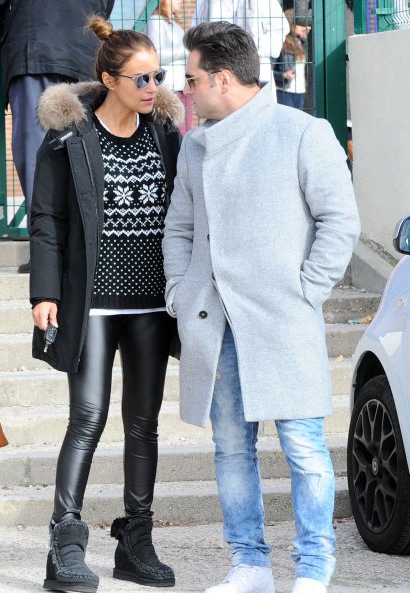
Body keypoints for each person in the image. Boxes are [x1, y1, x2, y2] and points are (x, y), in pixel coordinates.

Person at [163, 21, 360, 593]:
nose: (185, 88)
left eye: (193, 77)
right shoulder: (195, 145)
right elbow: (178, 228)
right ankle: (249, 565)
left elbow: (339, 220)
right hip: (212, 319)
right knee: (230, 450)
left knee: (303, 448)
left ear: (222, 79)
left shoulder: (302, 131)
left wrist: (307, 290)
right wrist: (181, 292)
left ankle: (313, 569)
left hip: (282, 318)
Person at [30, 15, 184, 593]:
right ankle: (64, 543)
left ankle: (136, 541)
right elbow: (46, 221)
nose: (154, 89)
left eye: (159, 77)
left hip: (149, 302)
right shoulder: (69, 138)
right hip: (90, 302)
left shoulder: (164, 132)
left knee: (144, 426)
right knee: (88, 418)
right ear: (109, 79)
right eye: (142, 80)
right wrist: (45, 293)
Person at [0, 0, 114, 273]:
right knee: (86, 152)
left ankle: (48, 256)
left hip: (36, 47)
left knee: (37, 158)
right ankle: (90, 249)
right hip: (86, 51)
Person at [193, 0, 289, 98]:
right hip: (217, 66)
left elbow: (280, 28)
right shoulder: (205, 2)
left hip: (253, 65)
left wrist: (256, 51)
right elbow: (197, 30)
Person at [145, 0, 193, 135]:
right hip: (169, 89)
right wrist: (186, 51)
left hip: (182, 87)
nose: (181, 2)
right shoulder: (155, 21)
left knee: (185, 131)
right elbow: (156, 54)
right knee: (173, 132)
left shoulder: (174, 24)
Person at [273, 8, 312, 110]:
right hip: (284, 91)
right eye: (300, 23)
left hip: (300, 91)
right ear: (292, 24)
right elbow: (269, 69)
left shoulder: (302, 43)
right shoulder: (282, 43)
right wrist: (283, 75)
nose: (305, 27)